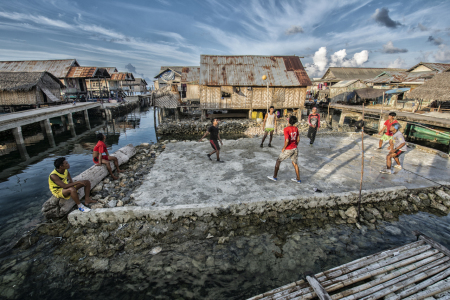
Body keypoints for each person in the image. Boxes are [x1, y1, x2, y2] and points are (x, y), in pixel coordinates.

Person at [267, 115, 301, 183]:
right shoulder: (296, 128)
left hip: (289, 149)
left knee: (278, 161)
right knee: (295, 163)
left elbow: (287, 140)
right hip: (295, 148)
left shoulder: (286, 129)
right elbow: (298, 139)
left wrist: (284, 148)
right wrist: (295, 145)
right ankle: (298, 179)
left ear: (289, 121)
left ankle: (274, 177)